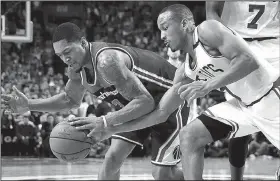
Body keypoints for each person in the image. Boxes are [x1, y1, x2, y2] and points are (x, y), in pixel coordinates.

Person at [82, 4, 279, 180]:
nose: (161, 36)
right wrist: (112, 129)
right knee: (190, 135)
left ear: (185, 24)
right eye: (159, 31)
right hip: (244, 106)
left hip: (271, 98)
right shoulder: (186, 71)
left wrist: (208, 85)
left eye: (165, 28)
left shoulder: (207, 30)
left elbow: (247, 60)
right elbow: (160, 113)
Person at [1, 22, 189, 180]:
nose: (65, 58)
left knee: (161, 175)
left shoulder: (106, 61)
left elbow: (146, 102)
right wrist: (29, 105)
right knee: (111, 160)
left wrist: (104, 121)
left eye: (67, 51)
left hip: (170, 100)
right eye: (60, 55)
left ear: (82, 43)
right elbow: (69, 100)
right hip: (135, 107)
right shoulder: (75, 69)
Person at [206, 1, 280, 179]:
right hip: (238, 47)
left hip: (274, 46)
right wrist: (225, 44)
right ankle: (236, 178)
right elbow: (211, 13)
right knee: (240, 125)